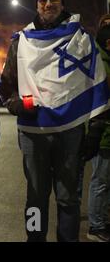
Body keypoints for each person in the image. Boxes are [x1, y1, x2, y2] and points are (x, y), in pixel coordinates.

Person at [0, 0, 110, 242]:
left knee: (68, 197)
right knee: (35, 196)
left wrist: (94, 130)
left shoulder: (81, 39)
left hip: (70, 131)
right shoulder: (21, 42)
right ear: (36, 5)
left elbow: (97, 83)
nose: (48, 4)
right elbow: (5, 86)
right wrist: (17, 105)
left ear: (62, 3)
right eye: (43, 0)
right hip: (33, 130)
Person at [86, 23, 110, 242]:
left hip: (105, 132)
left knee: (105, 180)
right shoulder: (99, 62)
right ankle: (96, 225)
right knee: (101, 180)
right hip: (103, 133)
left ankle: (102, 220)